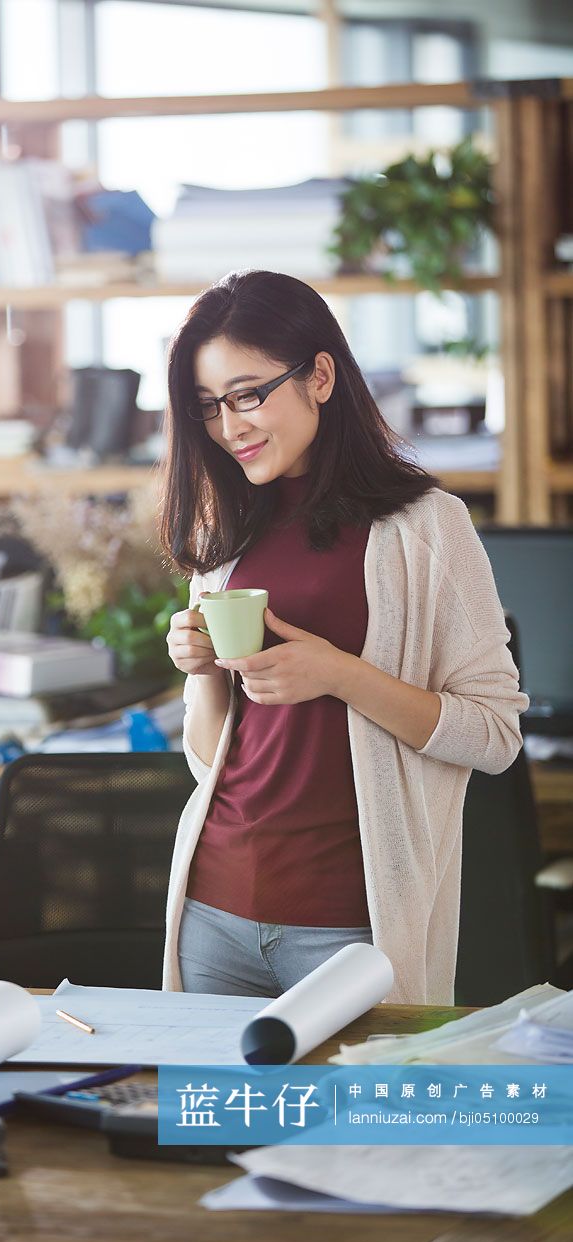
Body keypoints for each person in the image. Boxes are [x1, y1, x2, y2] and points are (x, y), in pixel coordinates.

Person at [160, 269, 528, 1005]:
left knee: (356, 1122)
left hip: (349, 925)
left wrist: (339, 673)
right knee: (218, 1121)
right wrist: (202, 672)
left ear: (319, 375)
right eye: (208, 406)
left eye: (247, 393)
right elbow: (210, 762)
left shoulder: (425, 527)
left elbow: (493, 736)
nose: (229, 425)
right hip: (213, 908)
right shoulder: (224, 531)